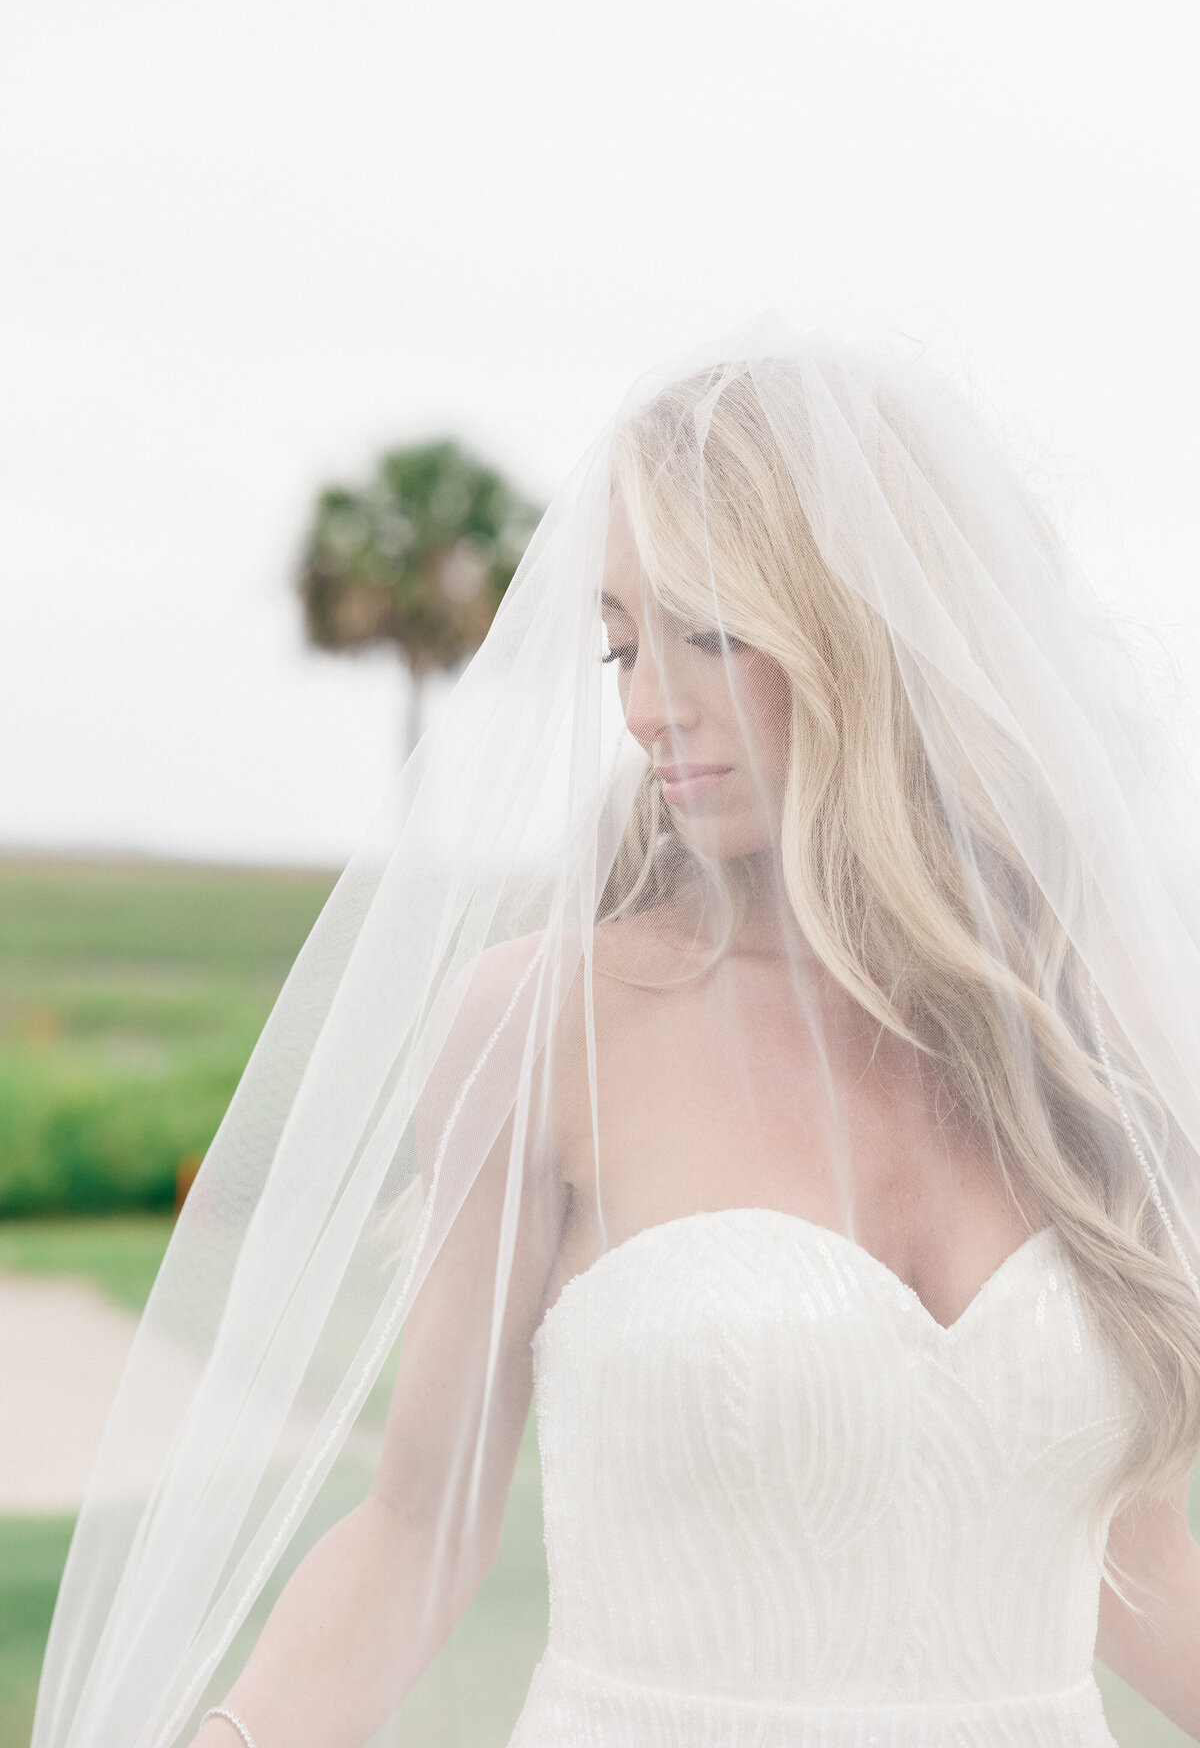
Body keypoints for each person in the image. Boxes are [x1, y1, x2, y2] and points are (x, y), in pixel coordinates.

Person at [34, 321, 1200, 1748]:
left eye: (710, 636)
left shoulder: (1093, 1035)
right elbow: (418, 1531)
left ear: (875, 633)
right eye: (623, 645)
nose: (650, 708)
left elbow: (1133, 1556)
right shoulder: (549, 1025)